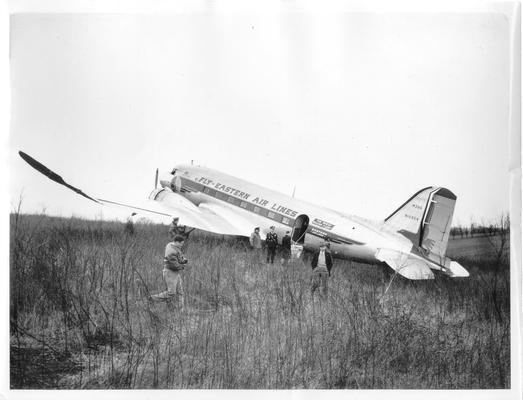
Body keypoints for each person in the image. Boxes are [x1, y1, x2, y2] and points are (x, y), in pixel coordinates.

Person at [150, 235, 188, 308]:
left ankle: (180, 309)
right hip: (170, 273)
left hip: (174, 272)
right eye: (181, 244)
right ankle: (152, 298)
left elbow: (177, 257)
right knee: (171, 293)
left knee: (180, 291)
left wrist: (183, 260)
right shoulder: (172, 251)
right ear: (177, 242)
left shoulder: (171, 244)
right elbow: (174, 265)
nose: (182, 245)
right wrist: (183, 266)